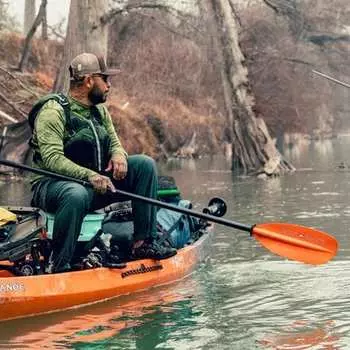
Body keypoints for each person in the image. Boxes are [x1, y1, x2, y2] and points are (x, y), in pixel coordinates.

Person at [30, 52, 176, 273]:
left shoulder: (100, 111)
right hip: (53, 188)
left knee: (144, 165)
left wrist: (118, 154)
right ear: (89, 81)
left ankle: (143, 243)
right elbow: (52, 159)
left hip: (94, 185)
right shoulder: (53, 112)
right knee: (75, 193)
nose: (109, 85)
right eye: (105, 79)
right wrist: (89, 176)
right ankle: (59, 264)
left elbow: (115, 143)